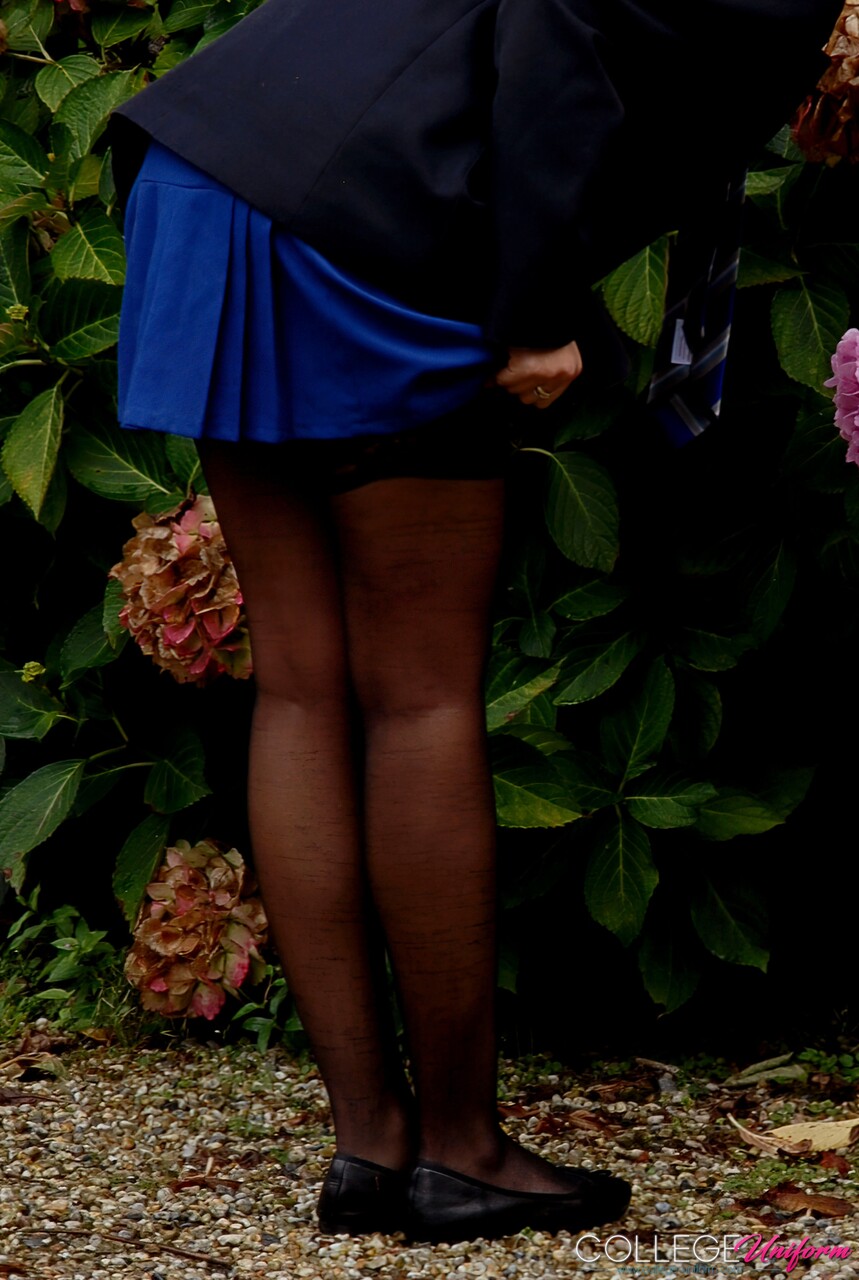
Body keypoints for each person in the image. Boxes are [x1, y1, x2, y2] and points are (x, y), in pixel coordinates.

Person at [107, 0, 842, 1245]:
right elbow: (554, 28)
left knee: (301, 680)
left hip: (212, 178)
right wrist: (536, 306)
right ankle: (459, 1150)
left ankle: (370, 1147)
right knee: (422, 690)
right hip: (360, 216)